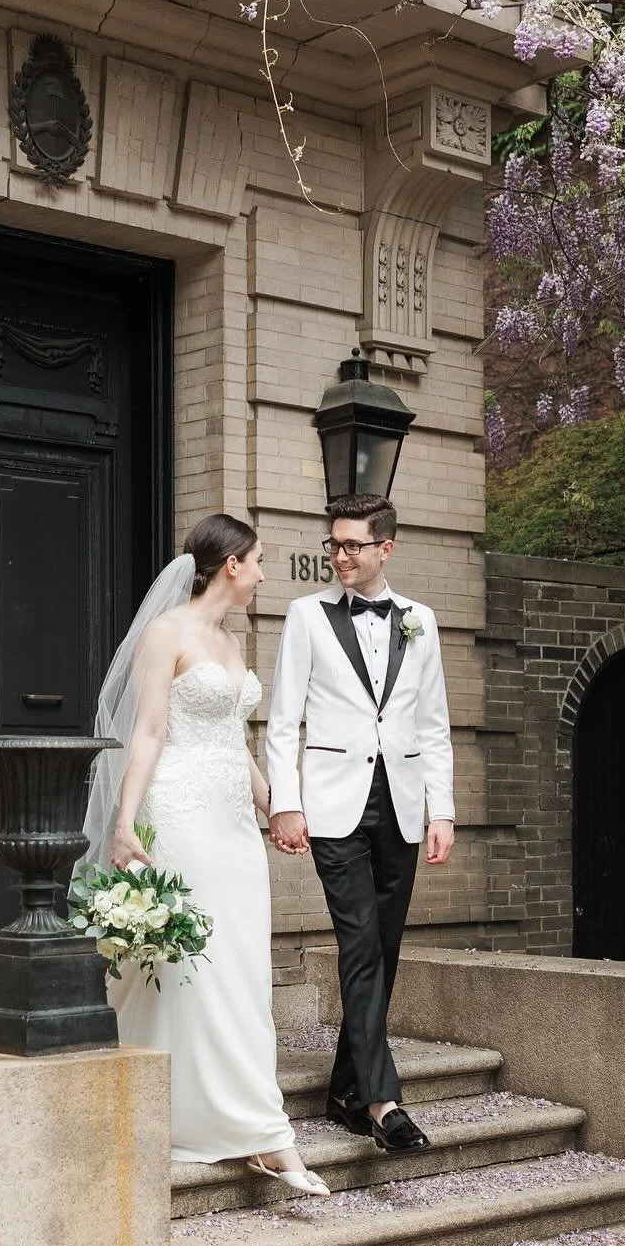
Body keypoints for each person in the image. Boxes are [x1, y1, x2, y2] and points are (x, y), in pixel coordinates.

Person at [83, 513, 328, 1196]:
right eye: (258, 561)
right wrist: (126, 822)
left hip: (230, 818)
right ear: (231, 564)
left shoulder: (230, 641)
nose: (261, 573)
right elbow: (151, 729)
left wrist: (277, 806)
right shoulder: (167, 634)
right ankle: (267, 1132)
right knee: (201, 963)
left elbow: (235, 743)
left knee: (242, 966)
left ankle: (197, 1106)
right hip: (181, 810)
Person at [265, 494, 454, 1154]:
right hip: (333, 806)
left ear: (385, 549)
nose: (340, 556)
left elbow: (434, 726)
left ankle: (344, 1091)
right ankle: (381, 1102)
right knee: (360, 942)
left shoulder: (420, 622)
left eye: (352, 546)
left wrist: (443, 811)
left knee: (385, 946)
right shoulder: (306, 617)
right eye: (334, 546)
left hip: (401, 805)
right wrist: (285, 803)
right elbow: (284, 719)